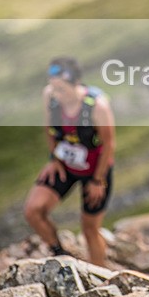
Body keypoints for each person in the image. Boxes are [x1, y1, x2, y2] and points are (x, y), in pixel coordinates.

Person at [23, 57, 116, 266]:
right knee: (33, 210)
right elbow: (50, 128)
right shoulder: (49, 96)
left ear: (75, 84)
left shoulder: (97, 106)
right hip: (65, 164)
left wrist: (98, 180)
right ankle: (60, 254)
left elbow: (109, 145)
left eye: (61, 89)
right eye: (53, 87)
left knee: (90, 228)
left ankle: (101, 275)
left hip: (95, 170)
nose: (56, 94)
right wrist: (53, 158)